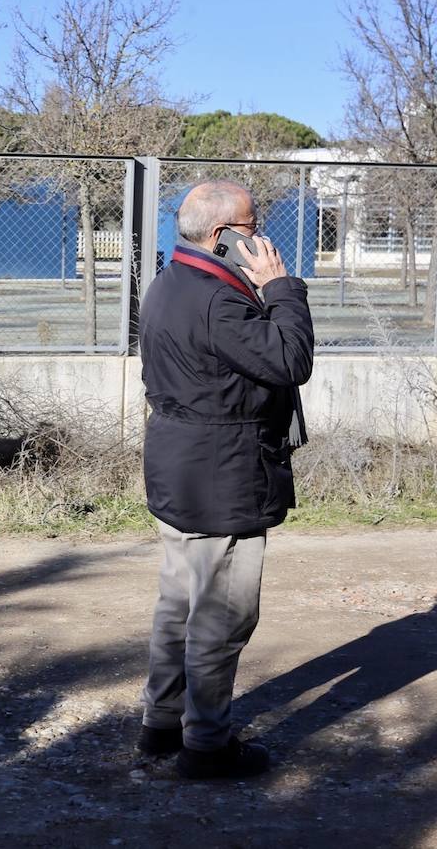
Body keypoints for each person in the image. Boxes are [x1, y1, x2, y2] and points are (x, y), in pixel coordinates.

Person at [135, 180, 314, 779]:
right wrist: (281, 289)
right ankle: (205, 746)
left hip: (179, 464)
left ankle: (161, 724)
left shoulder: (169, 282)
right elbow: (290, 360)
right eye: (252, 225)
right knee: (222, 614)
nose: (261, 236)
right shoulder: (219, 298)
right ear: (221, 237)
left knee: (178, 601)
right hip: (222, 473)